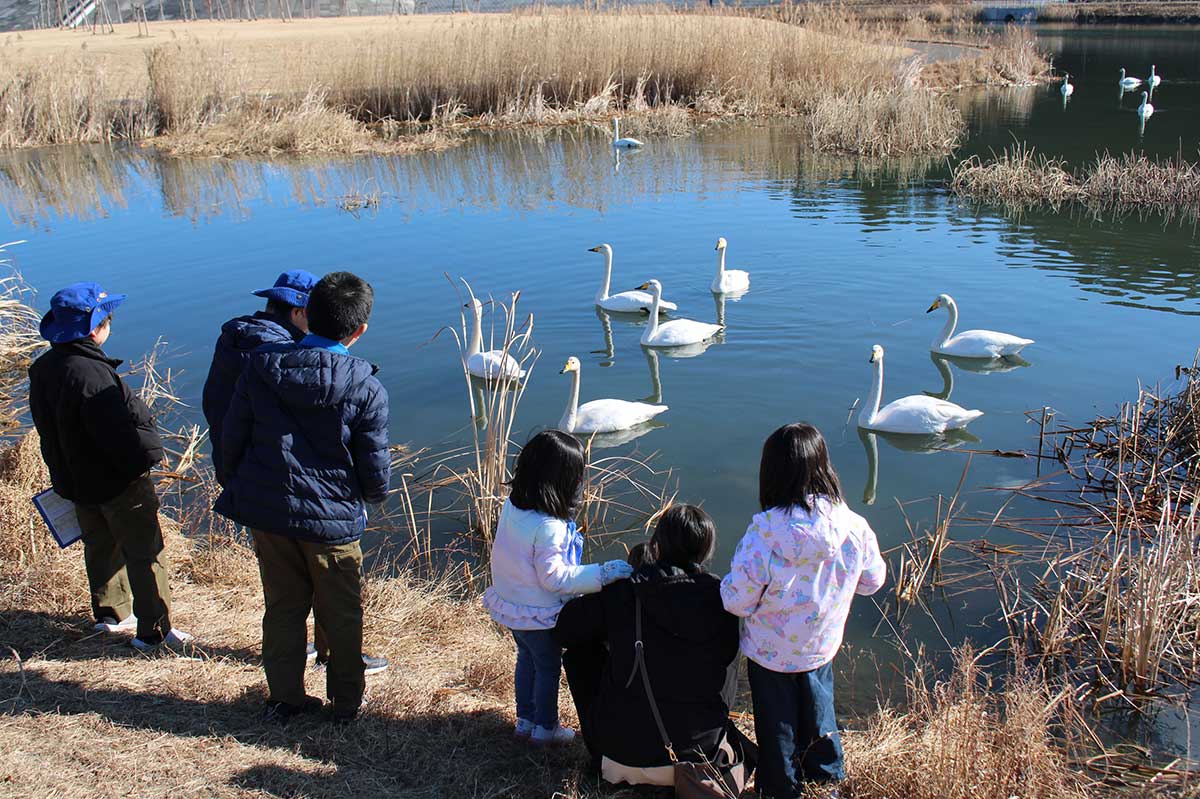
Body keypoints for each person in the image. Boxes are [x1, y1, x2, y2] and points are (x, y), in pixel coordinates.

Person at [215, 271, 391, 724]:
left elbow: (231, 438)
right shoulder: (365, 386)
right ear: (360, 330)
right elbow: (372, 463)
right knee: (342, 612)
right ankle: (347, 703)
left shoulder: (260, 366)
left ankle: (284, 699)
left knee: (283, 606)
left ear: (306, 315)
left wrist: (238, 486)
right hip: (332, 522)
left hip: (269, 513)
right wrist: (373, 496)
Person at [721, 423, 886, 798]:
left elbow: (738, 600)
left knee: (777, 722)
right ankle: (826, 777)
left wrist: (722, 587)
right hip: (820, 646)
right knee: (819, 709)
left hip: (769, 652)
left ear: (771, 473)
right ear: (826, 468)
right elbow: (873, 581)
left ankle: (779, 787)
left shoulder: (763, 533)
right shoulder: (854, 527)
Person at [29, 282, 191, 651]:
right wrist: (141, 466)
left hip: (74, 480)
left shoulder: (44, 368)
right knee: (145, 552)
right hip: (117, 484)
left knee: (100, 545)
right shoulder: (92, 374)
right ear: (94, 328)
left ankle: (110, 615)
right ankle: (155, 631)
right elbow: (119, 437)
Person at [554, 504, 745, 787]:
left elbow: (565, 631)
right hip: (699, 759)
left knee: (581, 652)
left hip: (621, 754)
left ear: (656, 548)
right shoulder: (726, 601)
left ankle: (605, 751)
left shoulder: (626, 591)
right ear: (706, 552)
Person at [482, 430, 633, 746]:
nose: (581, 482)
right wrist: (602, 574)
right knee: (548, 668)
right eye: (578, 476)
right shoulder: (549, 528)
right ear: (563, 482)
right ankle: (545, 728)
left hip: (512, 605)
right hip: (538, 613)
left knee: (527, 660)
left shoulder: (514, 506)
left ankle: (525, 721)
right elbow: (556, 579)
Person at [202, 269, 314, 486]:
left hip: (230, 466)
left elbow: (213, 400)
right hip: (269, 478)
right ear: (298, 312)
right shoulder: (282, 354)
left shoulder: (232, 339)